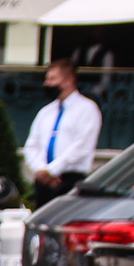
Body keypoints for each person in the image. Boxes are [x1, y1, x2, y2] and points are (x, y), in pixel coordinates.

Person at [23, 57, 101, 202]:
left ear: (68, 81)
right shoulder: (45, 112)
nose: (47, 83)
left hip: (71, 180)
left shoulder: (87, 109)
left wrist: (52, 170)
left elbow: (82, 147)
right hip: (44, 182)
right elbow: (31, 145)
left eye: (52, 79)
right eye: (47, 79)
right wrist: (42, 170)